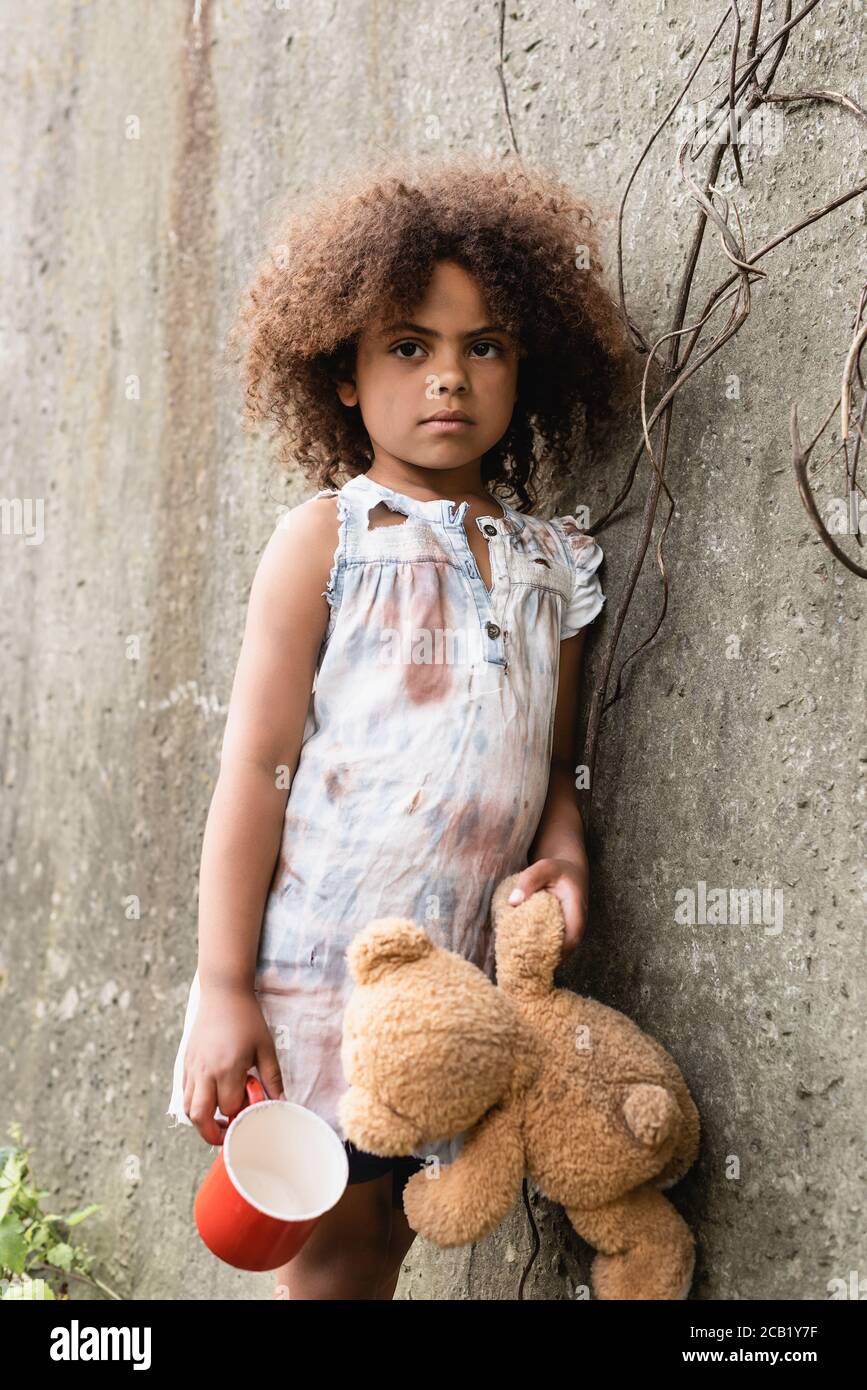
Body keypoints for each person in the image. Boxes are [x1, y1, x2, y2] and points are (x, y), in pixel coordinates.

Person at [166, 154, 631, 1299]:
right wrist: (223, 985)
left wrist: (563, 850)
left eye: (485, 347)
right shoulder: (328, 540)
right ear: (343, 373)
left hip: (455, 983)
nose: (450, 379)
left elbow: (555, 763)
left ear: (526, 366)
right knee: (320, 1255)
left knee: (385, 1244)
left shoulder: (551, 566)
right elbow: (256, 770)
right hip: (318, 977)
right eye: (409, 347)